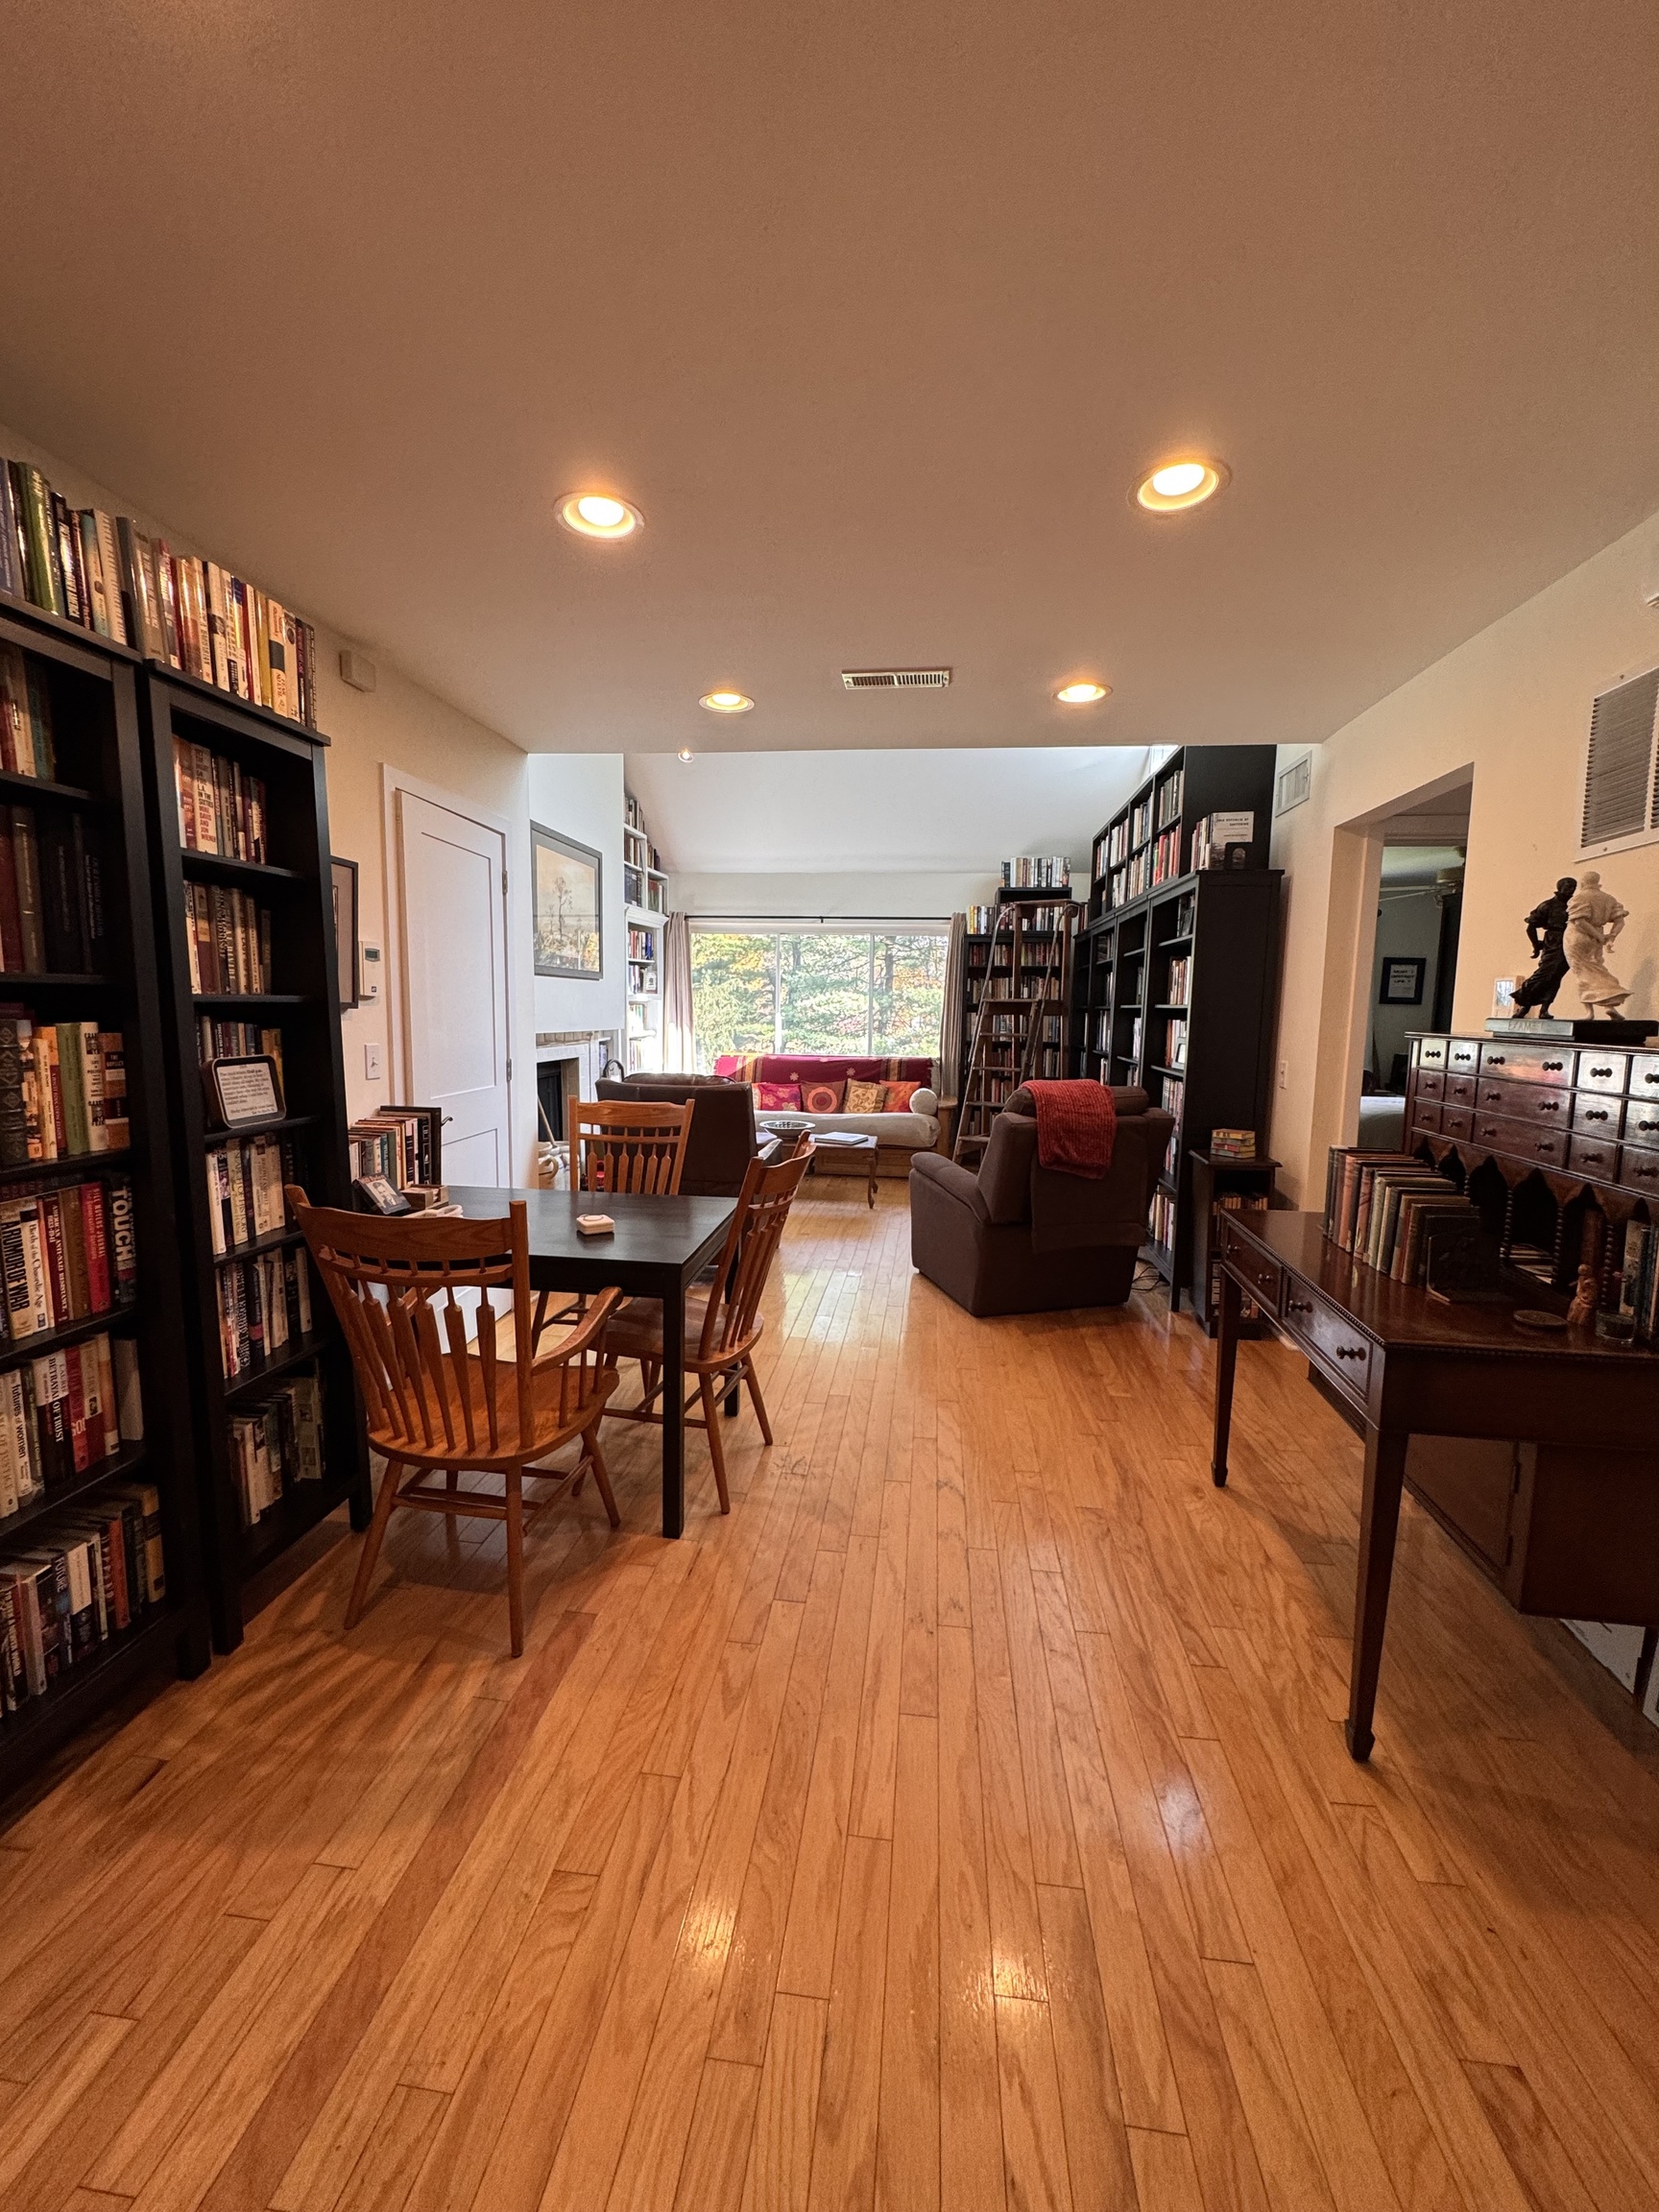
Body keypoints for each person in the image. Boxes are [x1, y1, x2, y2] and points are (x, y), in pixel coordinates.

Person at [1564, 870, 1629, 1018]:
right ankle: (1610, 1005)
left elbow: (1580, 921)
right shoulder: (1609, 899)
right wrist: (1610, 937)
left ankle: (1589, 1012)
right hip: (1595, 939)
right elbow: (1620, 921)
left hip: (1576, 937)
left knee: (1582, 972)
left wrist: (1599, 936)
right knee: (1597, 969)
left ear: (1582, 883)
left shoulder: (1580, 898)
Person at [1511, 877, 1575, 1018]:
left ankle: (1544, 1009)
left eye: (1573, 887)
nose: (1571, 890)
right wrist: (1536, 945)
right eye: (1568, 886)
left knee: (1556, 976)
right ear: (1560, 887)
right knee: (1543, 974)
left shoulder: (1575, 906)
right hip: (1552, 942)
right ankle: (1524, 1004)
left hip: (1569, 943)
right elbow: (1531, 926)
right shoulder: (1548, 905)